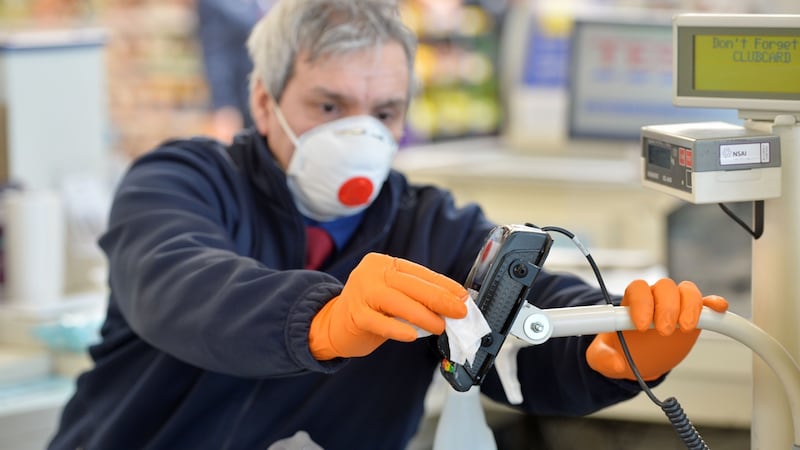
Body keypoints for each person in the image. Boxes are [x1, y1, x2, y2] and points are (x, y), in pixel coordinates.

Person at [47, 1, 728, 449]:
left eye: (385, 112)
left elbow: (525, 316)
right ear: (262, 100)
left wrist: (610, 345)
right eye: (329, 104)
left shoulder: (428, 226)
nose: (362, 136)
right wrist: (325, 319)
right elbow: (181, 285)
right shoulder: (180, 180)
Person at [195, 0, 275, 142]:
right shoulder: (218, 5)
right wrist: (225, 106)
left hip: (276, 102)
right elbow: (217, 56)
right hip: (245, 102)